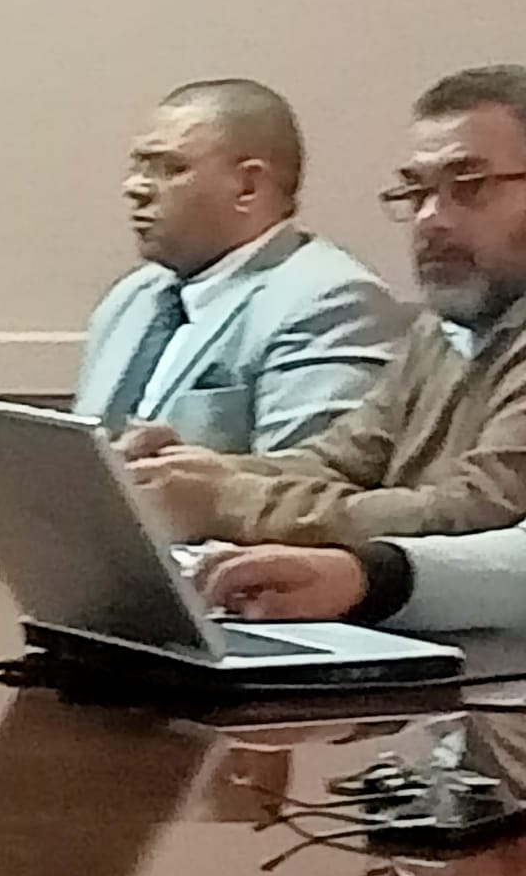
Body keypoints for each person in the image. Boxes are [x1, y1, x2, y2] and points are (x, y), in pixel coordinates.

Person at [129, 64, 526, 559]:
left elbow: (477, 512)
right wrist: (189, 473)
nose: (430, 220)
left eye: (469, 185)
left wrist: (228, 502)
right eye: (416, 192)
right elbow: (342, 459)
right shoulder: (439, 329)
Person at [74, 79, 405, 453]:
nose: (135, 187)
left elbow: (304, 478)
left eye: (170, 167)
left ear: (248, 186)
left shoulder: (335, 304)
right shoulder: (132, 297)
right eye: (139, 166)